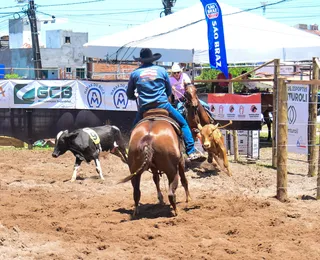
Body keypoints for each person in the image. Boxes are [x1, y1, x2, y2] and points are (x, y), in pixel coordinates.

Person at [126, 48, 205, 162]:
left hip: (145, 108)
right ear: (152, 59)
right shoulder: (161, 70)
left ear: (141, 61)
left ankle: (131, 152)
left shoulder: (135, 73)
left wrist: (135, 96)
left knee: (134, 130)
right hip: (163, 105)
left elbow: (129, 94)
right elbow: (168, 91)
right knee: (183, 124)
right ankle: (191, 151)